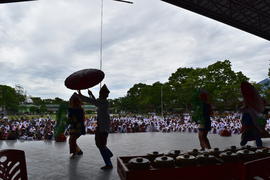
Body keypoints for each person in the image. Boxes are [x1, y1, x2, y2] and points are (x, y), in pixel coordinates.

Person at [78, 84, 113, 170]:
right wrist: (91, 94)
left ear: (103, 94)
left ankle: (108, 163)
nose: (99, 94)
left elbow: (93, 102)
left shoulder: (103, 102)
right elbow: (96, 102)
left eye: (100, 93)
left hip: (103, 128)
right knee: (100, 144)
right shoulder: (103, 102)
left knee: (101, 145)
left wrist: (80, 95)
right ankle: (108, 154)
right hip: (102, 126)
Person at [68, 93, 85, 159]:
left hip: (78, 127)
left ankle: (74, 153)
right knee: (72, 140)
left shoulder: (80, 110)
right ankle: (79, 151)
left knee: (72, 140)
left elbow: (82, 119)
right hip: (73, 126)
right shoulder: (71, 109)